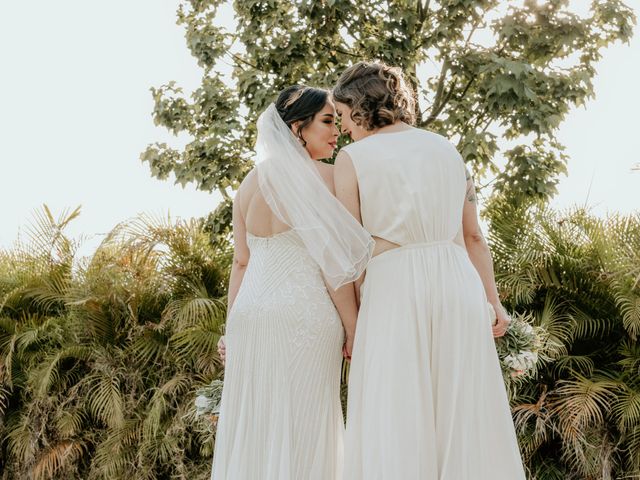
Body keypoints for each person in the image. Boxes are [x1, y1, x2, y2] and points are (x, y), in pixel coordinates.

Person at [332, 62, 526, 479]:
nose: (344, 127)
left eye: (345, 115)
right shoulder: (446, 148)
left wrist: (358, 314)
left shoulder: (352, 158)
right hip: (456, 282)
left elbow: (351, 250)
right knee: (462, 408)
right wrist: (492, 303)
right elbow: (473, 236)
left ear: (362, 107)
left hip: (394, 287)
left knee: (396, 410)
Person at [211, 85, 373, 480]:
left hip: (249, 317)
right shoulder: (328, 178)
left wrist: (230, 328)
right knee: (307, 421)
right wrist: (355, 329)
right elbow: (332, 267)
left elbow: (241, 261)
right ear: (298, 127)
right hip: (304, 317)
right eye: (327, 121)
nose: (335, 131)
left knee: (256, 423)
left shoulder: (250, 182)